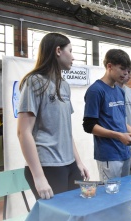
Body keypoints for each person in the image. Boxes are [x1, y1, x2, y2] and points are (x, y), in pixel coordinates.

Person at [17, 33, 90, 200]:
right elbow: (23, 132)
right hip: (48, 165)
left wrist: (78, 162)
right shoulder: (34, 81)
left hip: (69, 164)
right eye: (70, 51)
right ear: (58, 51)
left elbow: (66, 131)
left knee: (73, 215)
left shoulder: (63, 85)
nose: (73, 57)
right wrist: (39, 176)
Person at [82, 49, 131, 181]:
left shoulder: (119, 91)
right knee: (111, 195)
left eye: (127, 70)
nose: (125, 73)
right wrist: (118, 136)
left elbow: (122, 122)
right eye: (122, 69)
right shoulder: (96, 91)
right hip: (108, 155)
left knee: (124, 193)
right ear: (109, 66)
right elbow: (89, 126)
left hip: (125, 152)